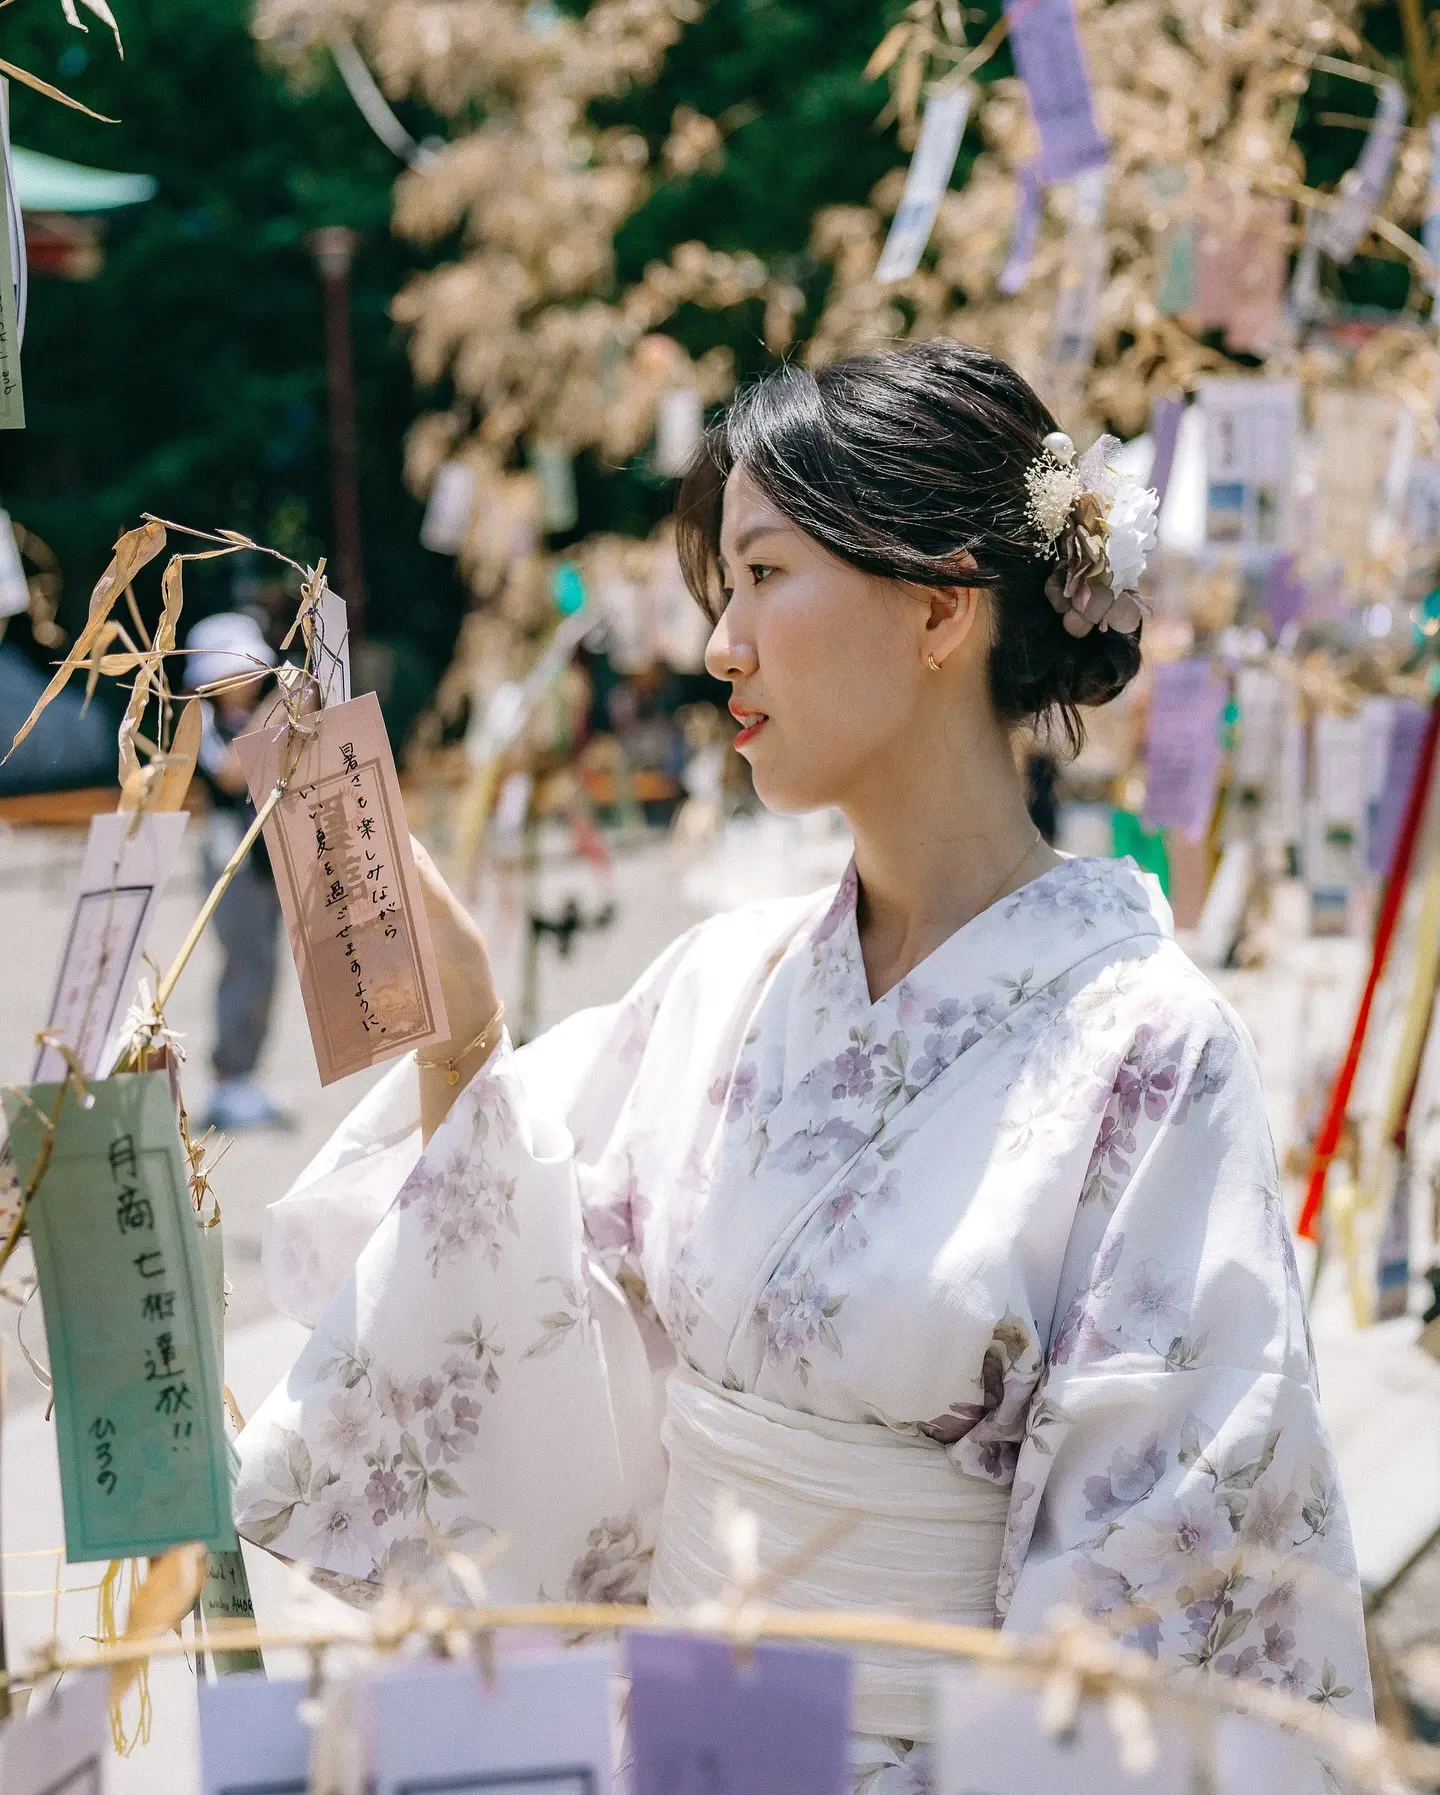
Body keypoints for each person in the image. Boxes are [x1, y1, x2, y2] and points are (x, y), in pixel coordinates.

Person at [234, 344, 1370, 1782]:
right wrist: (462, 1040)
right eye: (725, 588)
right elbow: (534, 1345)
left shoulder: (1146, 1044)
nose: (722, 645)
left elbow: (1161, 1576)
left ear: (942, 603)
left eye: (766, 574)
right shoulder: (725, 980)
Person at [186, 611, 292, 1133]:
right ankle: (229, 1076)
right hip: (227, 853)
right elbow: (230, 773)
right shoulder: (200, 722)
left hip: (264, 854)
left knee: (267, 965)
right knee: (245, 962)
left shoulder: (260, 717)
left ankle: (247, 1073)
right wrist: (279, 707)